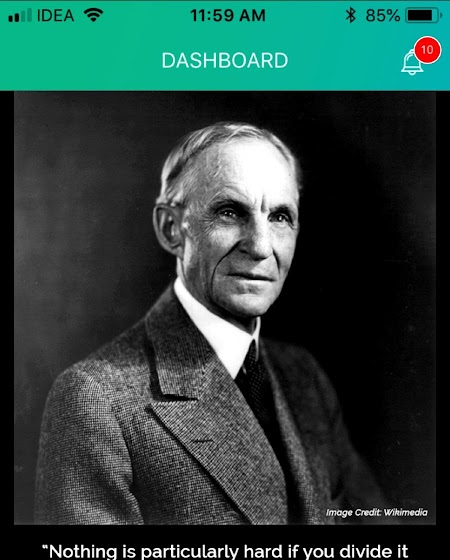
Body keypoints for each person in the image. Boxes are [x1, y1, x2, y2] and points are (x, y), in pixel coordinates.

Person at [35, 121, 386, 525]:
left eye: (280, 217)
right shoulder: (96, 399)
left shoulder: (303, 377)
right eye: (229, 212)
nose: (260, 247)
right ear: (171, 229)